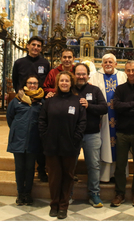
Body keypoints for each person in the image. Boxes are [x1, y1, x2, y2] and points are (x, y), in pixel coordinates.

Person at [38, 71, 86, 219]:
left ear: (71, 83)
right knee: (54, 177)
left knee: (68, 176)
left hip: (70, 146)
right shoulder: (50, 101)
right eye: (62, 81)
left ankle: (63, 206)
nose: (64, 83)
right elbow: (42, 121)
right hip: (51, 145)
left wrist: (76, 138)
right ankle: (54, 204)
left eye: (67, 81)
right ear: (57, 83)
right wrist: (46, 137)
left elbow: (82, 123)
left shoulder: (77, 101)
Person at [110, 60, 134, 207]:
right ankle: (119, 193)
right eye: (128, 70)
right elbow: (117, 106)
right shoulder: (120, 89)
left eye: (133, 70)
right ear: (125, 71)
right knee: (120, 165)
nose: (131, 73)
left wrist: (127, 110)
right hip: (122, 132)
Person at [11, 36, 50, 181]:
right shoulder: (19, 63)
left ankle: (41, 169)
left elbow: (47, 82)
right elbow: (16, 82)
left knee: (40, 138)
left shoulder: (44, 63)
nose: (36, 48)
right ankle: (26, 169)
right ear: (27, 46)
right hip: (23, 102)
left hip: (39, 102)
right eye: (33, 45)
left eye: (39, 46)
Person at [6, 75, 45, 206]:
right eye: (30, 83)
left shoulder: (41, 100)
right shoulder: (17, 100)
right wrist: (18, 129)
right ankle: (20, 193)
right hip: (18, 138)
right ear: (25, 84)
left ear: (38, 85)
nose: (32, 85)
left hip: (34, 138)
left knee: (30, 168)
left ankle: (27, 193)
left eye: (35, 83)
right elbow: (10, 117)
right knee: (19, 167)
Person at [72, 63, 108, 207]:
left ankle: (94, 193)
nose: (81, 77)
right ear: (74, 74)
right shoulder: (69, 88)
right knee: (69, 165)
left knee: (93, 165)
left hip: (92, 134)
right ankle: (67, 193)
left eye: (83, 74)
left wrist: (89, 106)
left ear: (88, 75)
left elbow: (104, 108)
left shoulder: (94, 90)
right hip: (73, 135)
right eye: (78, 74)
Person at [89, 53, 126, 183]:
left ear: (115, 64)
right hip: (103, 118)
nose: (108, 64)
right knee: (104, 144)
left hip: (120, 117)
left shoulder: (122, 76)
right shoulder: (94, 77)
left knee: (119, 146)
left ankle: (118, 174)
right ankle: (104, 176)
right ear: (102, 64)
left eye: (110, 62)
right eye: (105, 62)